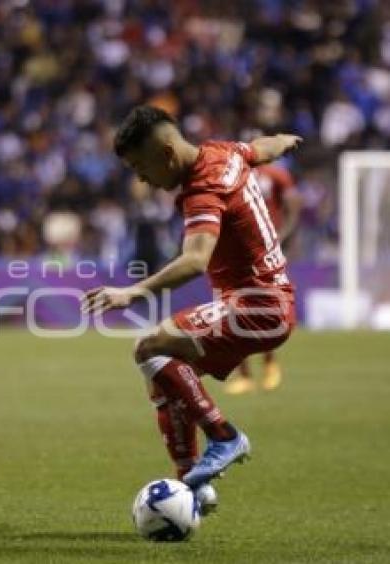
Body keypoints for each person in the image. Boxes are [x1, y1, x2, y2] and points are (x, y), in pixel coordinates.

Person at [82, 106, 300, 510]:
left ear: (165, 153)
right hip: (265, 302)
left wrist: (132, 293)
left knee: (148, 347)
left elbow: (196, 260)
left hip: (258, 305)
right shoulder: (223, 152)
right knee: (164, 380)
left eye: (139, 166)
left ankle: (224, 436)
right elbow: (259, 149)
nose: (141, 179)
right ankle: (192, 486)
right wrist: (284, 141)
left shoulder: (202, 188)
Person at [227, 163, 301, 394]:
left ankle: (270, 363)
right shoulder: (232, 173)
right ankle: (244, 374)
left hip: (267, 250)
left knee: (264, 307)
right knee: (234, 307)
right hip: (238, 249)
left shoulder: (277, 173)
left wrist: (281, 238)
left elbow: (293, 206)